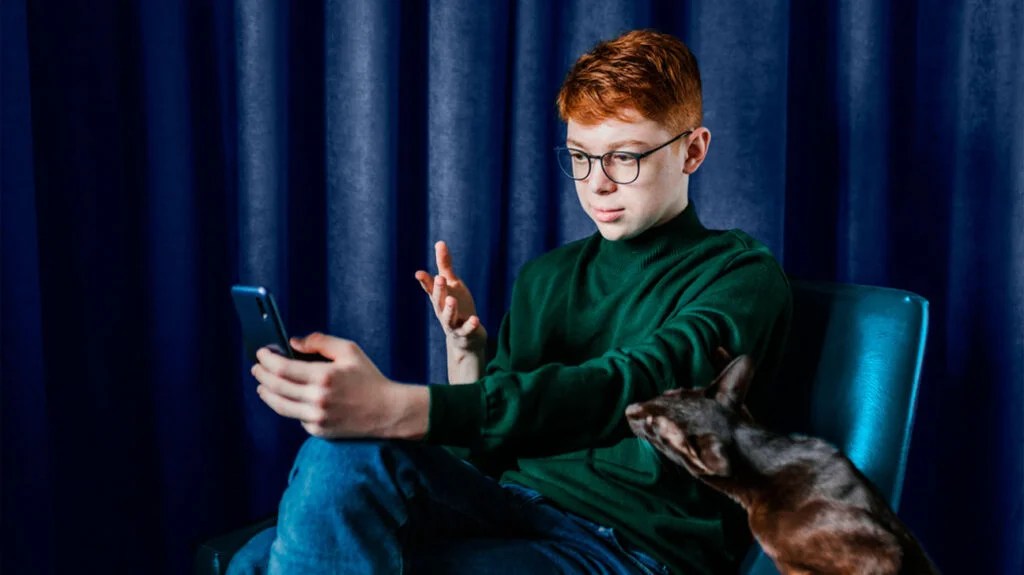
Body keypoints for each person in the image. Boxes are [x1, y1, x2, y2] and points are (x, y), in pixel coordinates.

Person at [228, 29, 791, 575]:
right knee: (320, 478)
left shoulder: (739, 274)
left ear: (693, 150)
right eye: (580, 156)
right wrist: (467, 350)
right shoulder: (546, 278)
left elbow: (632, 385)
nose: (596, 183)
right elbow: (484, 452)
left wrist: (398, 407)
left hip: (629, 546)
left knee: (279, 540)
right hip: (511, 507)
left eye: (625, 157)